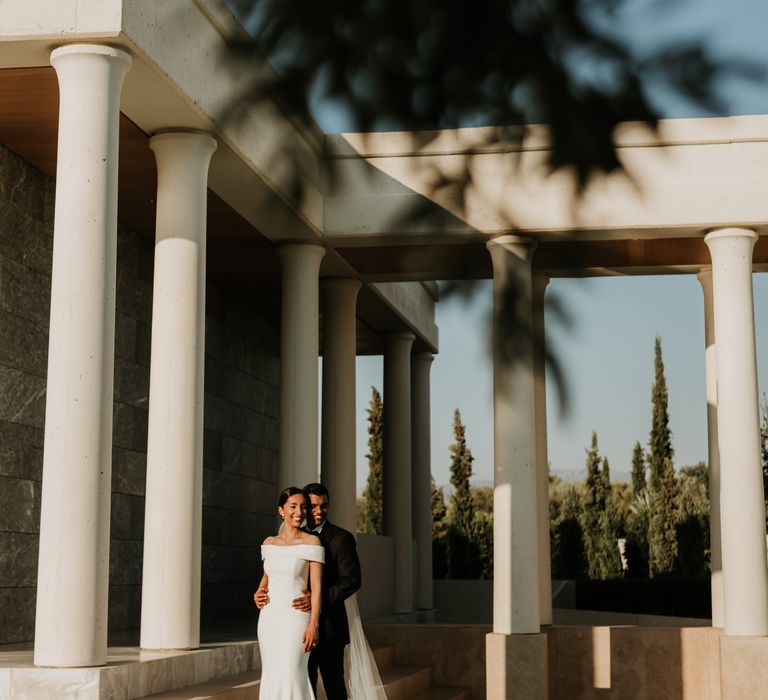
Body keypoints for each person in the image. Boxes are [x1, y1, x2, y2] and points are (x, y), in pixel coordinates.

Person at [254, 486, 325, 700]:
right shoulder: (269, 543)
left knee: (293, 673)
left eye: (303, 507)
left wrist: (314, 625)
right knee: (272, 675)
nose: (299, 512)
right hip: (269, 618)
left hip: (297, 620)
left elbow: (318, 588)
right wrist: (258, 591)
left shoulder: (312, 542)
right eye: (293, 506)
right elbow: (268, 578)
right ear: (281, 510)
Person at [300, 483, 362, 700]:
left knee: (334, 688)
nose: (319, 511)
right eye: (313, 506)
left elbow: (352, 580)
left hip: (329, 629)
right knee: (304, 687)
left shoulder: (341, 538)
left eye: (324, 506)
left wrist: (317, 600)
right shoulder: (294, 537)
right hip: (297, 627)